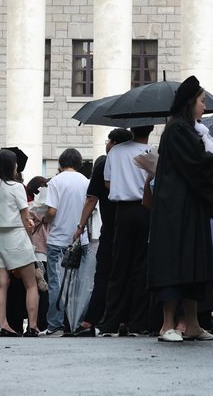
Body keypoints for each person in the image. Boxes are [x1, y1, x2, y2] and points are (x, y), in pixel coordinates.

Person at [146, 75, 213, 343]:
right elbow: (195, 163)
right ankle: (167, 324)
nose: (204, 107)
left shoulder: (185, 129)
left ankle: (193, 324)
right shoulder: (178, 129)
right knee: (176, 263)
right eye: (202, 101)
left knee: (192, 263)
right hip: (175, 210)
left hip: (188, 208)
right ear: (190, 102)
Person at [99, 124, 154, 337]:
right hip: (145, 209)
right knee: (141, 266)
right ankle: (137, 321)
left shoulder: (116, 151)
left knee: (119, 265)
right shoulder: (151, 152)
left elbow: (107, 183)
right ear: (150, 130)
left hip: (121, 211)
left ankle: (111, 322)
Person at [75, 130, 129, 337]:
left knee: (104, 274)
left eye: (108, 141)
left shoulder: (104, 164)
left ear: (113, 144)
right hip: (134, 226)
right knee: (128, 273)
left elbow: (91, 199)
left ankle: (91, 320)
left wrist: (80, 226)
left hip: (110, 228)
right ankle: (124, 319)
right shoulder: (136, 161)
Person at [0, 149, 41, 337]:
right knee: (31, 284)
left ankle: (3, 324)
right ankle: (32, 326)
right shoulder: (16, 187)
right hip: (16, 237)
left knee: (1, 285)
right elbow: (26, 218)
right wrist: (30, 228)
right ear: (11, 165)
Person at [42, 148, 91, 335]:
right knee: (78, 283)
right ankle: (75, 322)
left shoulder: (56, 182)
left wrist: (44, 219)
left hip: (58, 240)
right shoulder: (85, 182)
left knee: (56, 284)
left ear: (61, 163)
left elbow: (52, 212)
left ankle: (55, 325)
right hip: (80, 240)